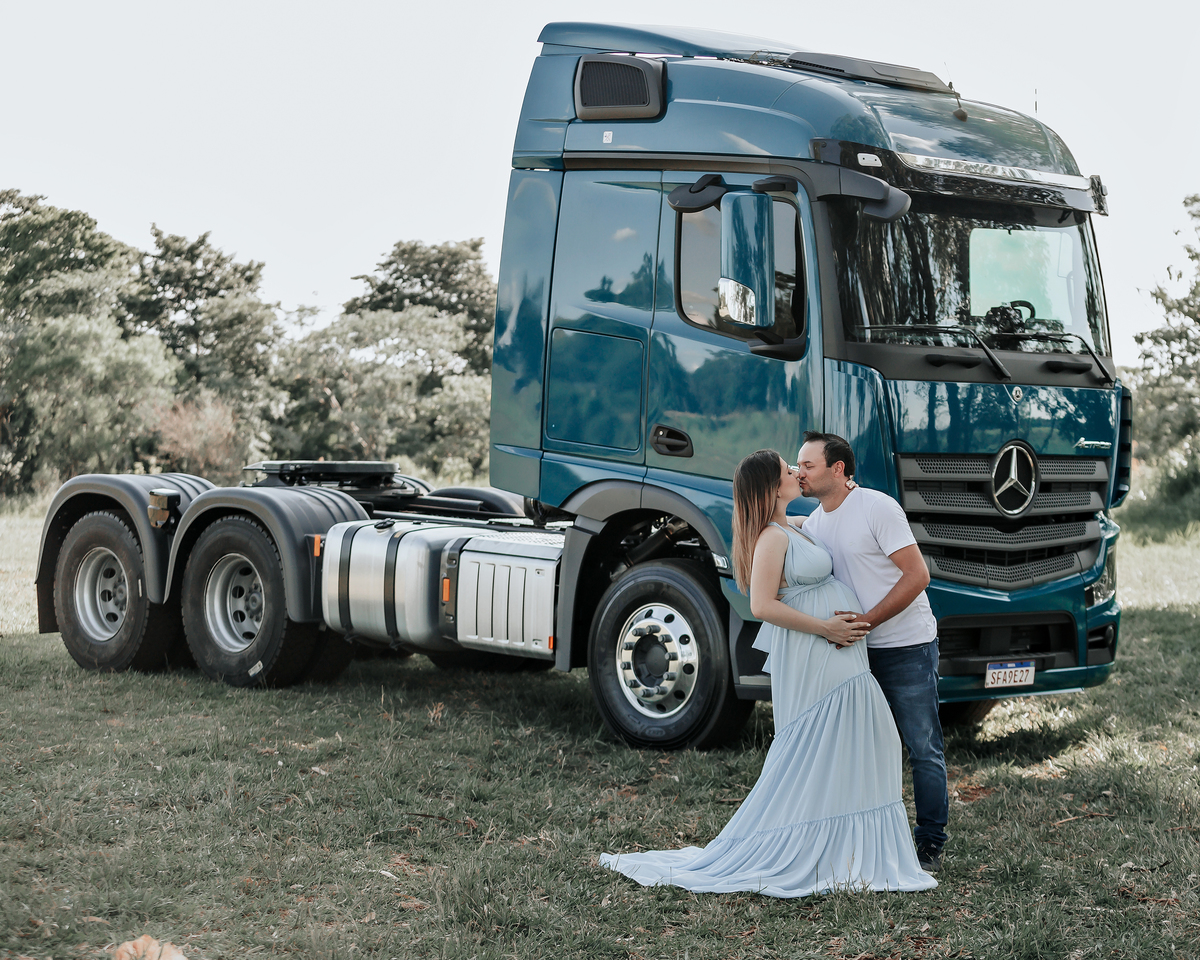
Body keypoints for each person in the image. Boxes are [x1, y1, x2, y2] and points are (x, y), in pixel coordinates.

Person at [598, 450, 937, 897]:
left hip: (839, 650)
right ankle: (827, 844)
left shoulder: (796, 525)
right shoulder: (773, 538)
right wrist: (826, 627)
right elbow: (761, 605)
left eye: (800, 466)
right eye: (787, 470)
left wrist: (848, 491)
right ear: (772, 488)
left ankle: (850, 845)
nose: (796, 472)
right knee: (833, 740)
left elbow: (836, 524)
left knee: (858, 739)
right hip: (821, 647)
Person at [796, 431, 949, 873]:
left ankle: (930, 842)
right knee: (860, 748)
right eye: (798, 466)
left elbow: (917, 576)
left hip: (906, 646)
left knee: (922, 746)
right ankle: (867, 839)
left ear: (838, 469)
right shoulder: (816, 523)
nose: (799, 472)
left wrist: (866, 622)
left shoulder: (877, 507)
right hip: (853, 653)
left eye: (808, 465)